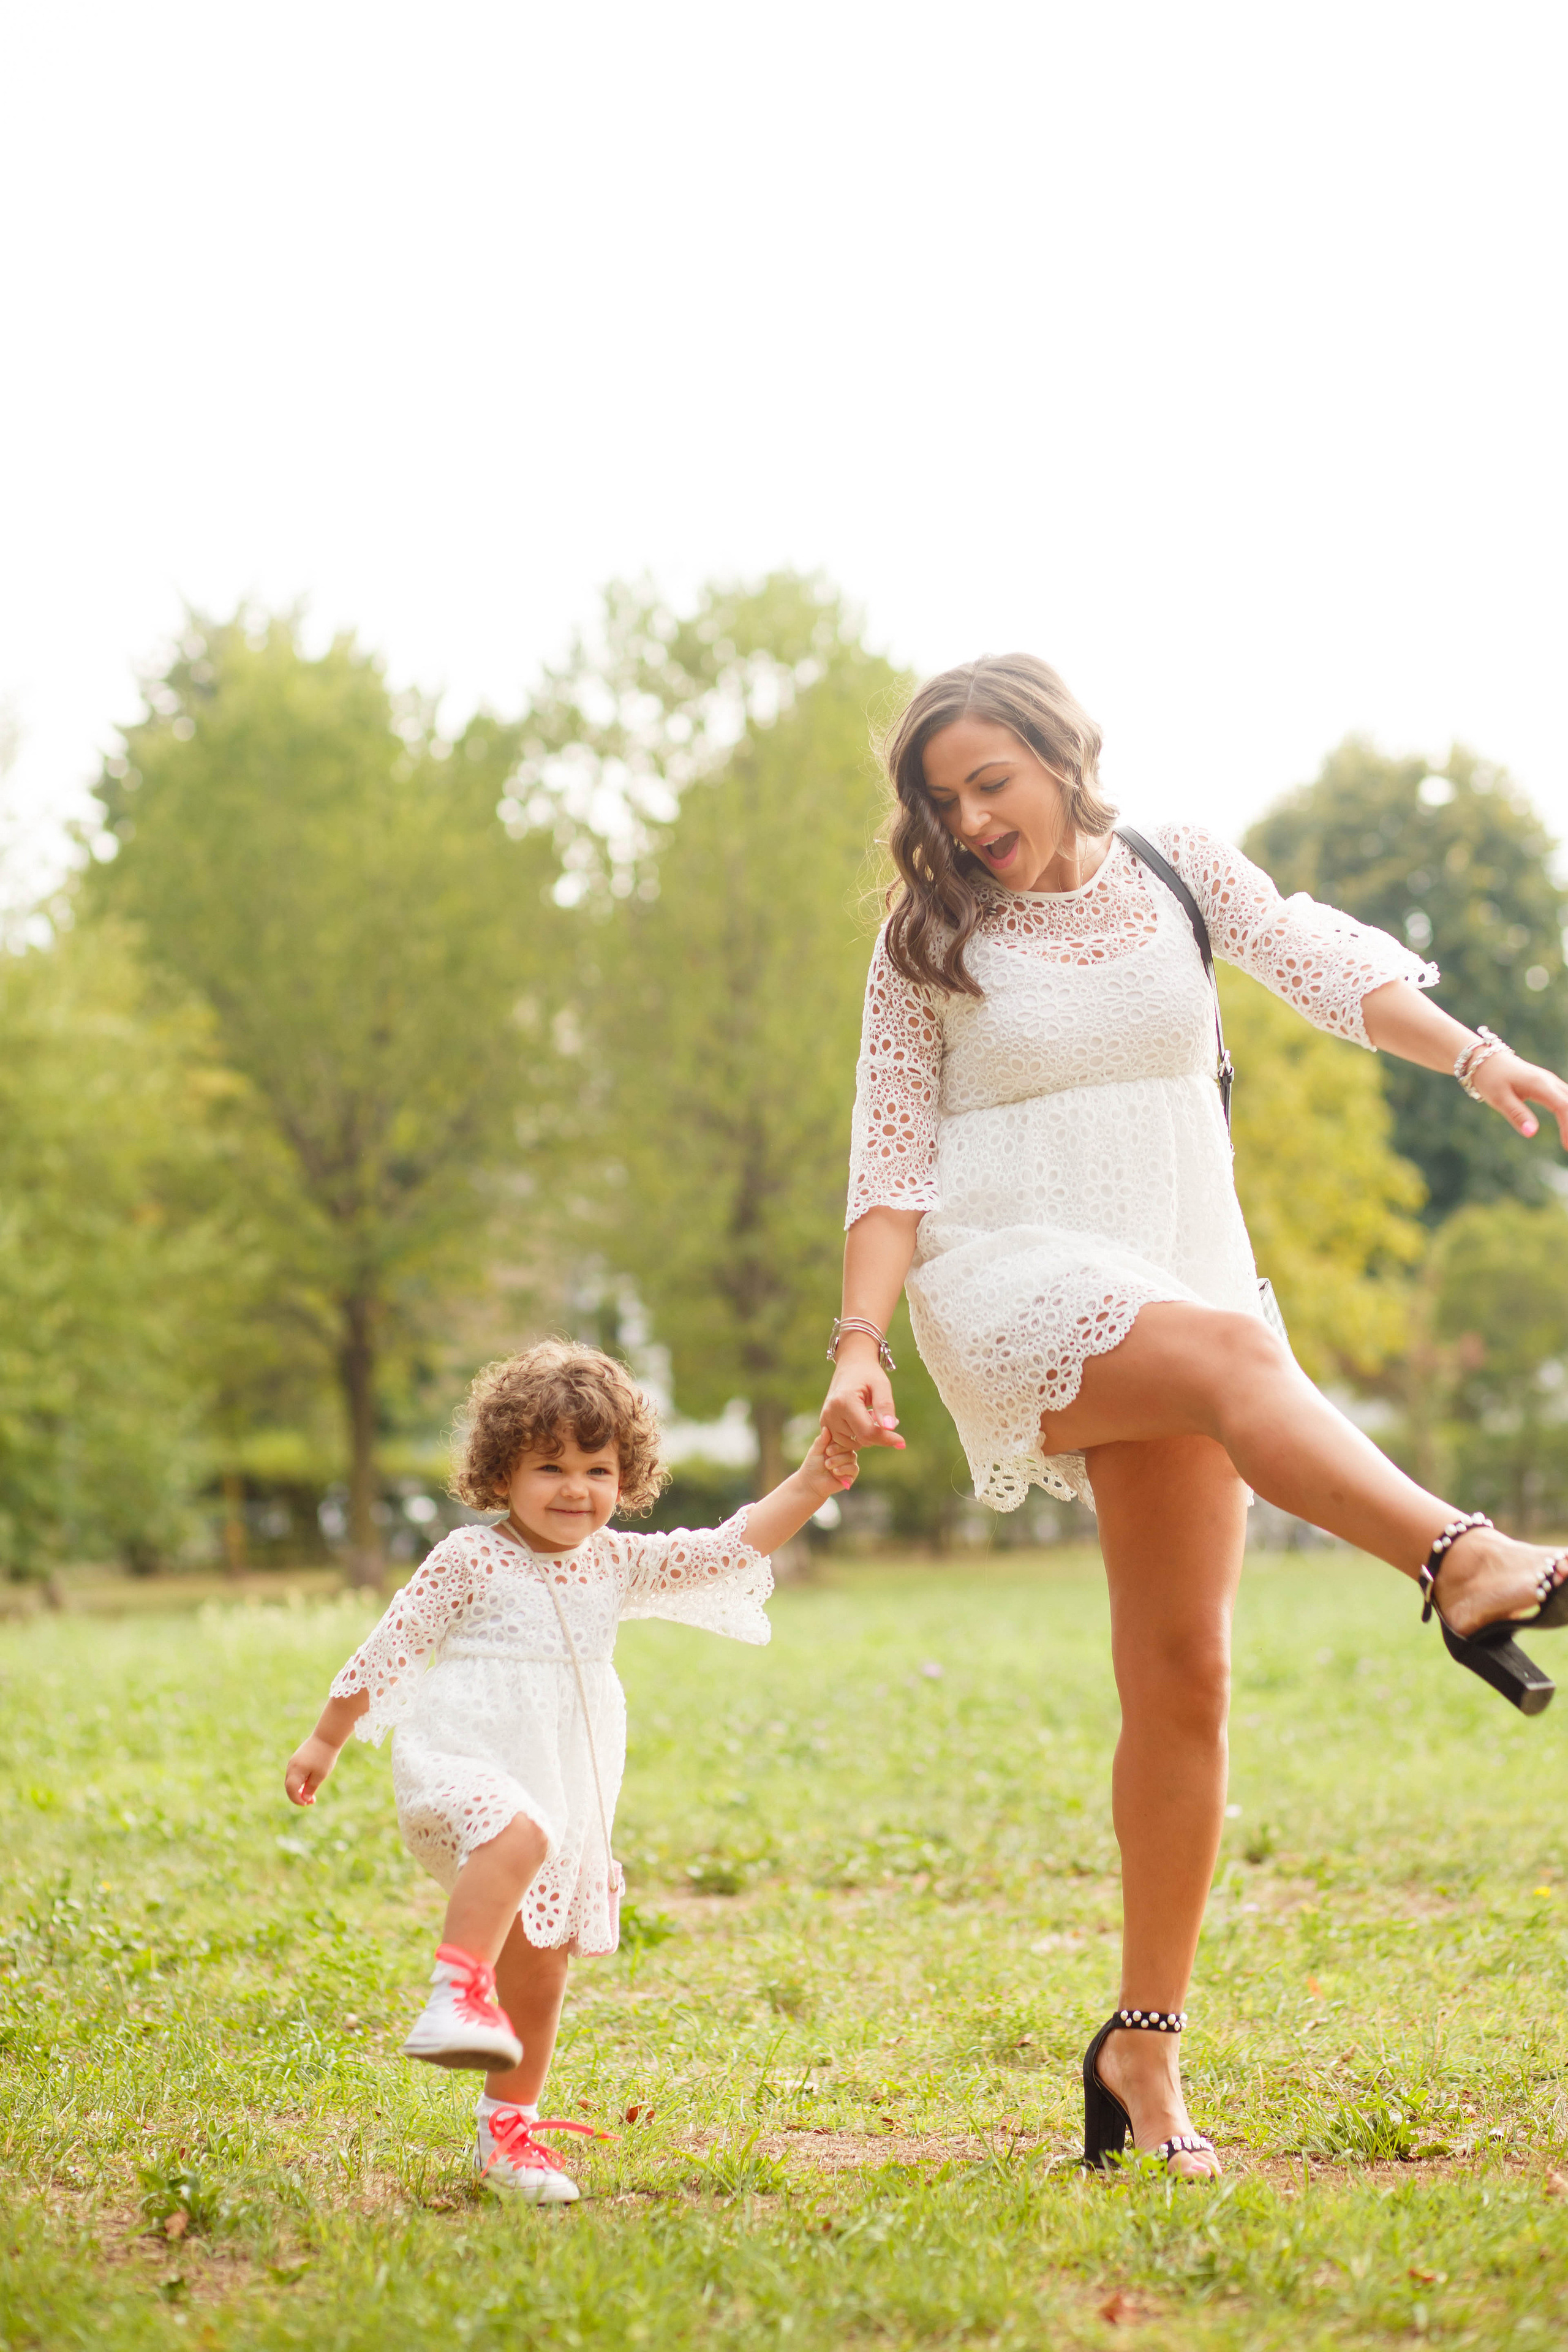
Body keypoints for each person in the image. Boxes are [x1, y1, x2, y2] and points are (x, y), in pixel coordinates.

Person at [819, 654, 1568, 2183]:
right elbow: (889, 1158)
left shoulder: (1177, 868)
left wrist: (1476, 1054)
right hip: (1012, 1273)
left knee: (1185, 1676)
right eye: (940, 799)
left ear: (1056, 757)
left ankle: (1138, 2049)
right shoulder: (924, 944)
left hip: (1174, 1270)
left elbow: (1316, 966)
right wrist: (856, 1341)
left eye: (989, 784)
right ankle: (1460, 1558)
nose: (966, 821)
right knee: (1240, 1361)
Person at [285, 1340, 857, 2205]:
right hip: (465, 1760)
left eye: (597, 1469)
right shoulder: (469, 1560)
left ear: (624, 1479)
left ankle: (505, 2136)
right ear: (500, 1472)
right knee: (520, 1830)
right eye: (548, 1466)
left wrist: (813, 1481)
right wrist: (327, 1739)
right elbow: (390, 1646)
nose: (574, 1489)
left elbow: (722, 1548)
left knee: (546, 1964)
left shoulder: (612, 1562)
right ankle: (455, 1988)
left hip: (567, 1779)